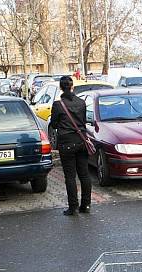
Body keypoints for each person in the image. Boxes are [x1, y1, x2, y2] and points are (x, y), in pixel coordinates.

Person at [49, 75, 92, 215]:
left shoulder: (58, 104)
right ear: (72, 86)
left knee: (70, 176)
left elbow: (54, 124)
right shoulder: (81, 102)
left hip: (66, 143)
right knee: (84, 175)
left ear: (61, 87)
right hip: (81, 141)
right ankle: (86, 205)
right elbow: (83, 121)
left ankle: (73, 207)